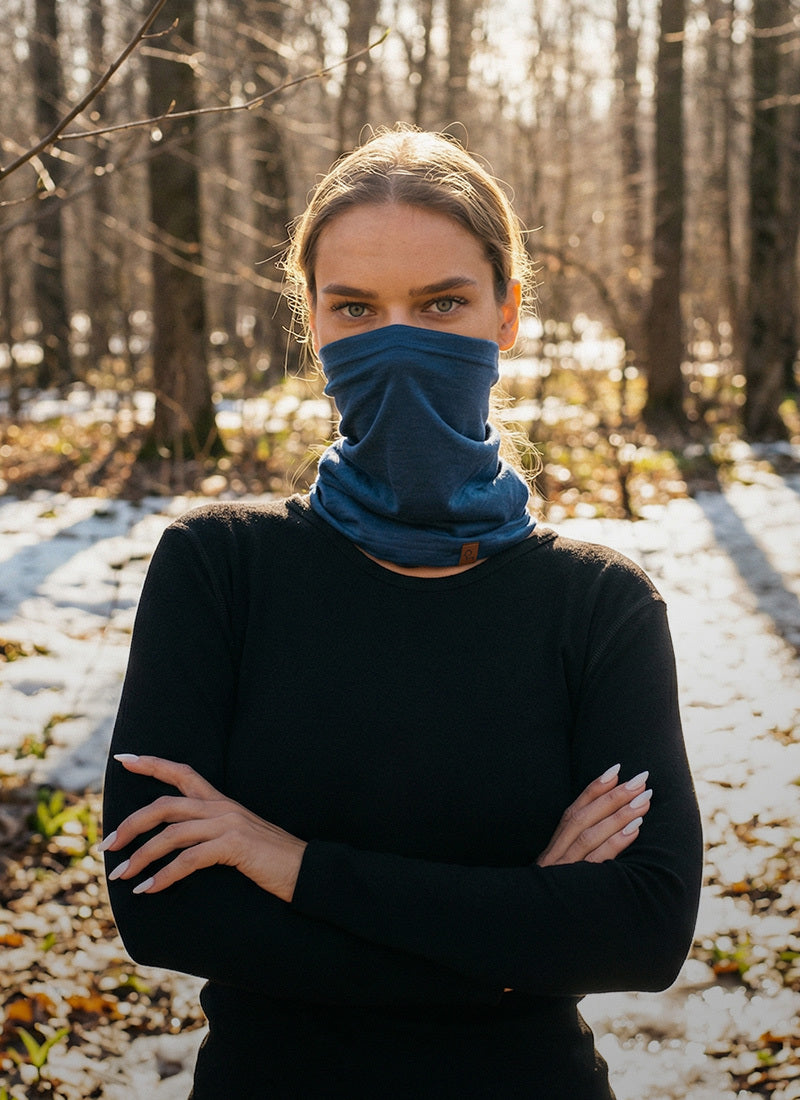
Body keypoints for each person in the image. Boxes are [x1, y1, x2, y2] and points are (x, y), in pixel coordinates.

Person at [101, 125, 703, 1099]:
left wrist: (281, 860)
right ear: (310, 320)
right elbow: (163, 910)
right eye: (355, 307)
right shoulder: (219, 571)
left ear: (506, 314)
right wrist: (517, 931)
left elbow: (640, 931)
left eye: (440, 303)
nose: (397, 339)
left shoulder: (598, 606)